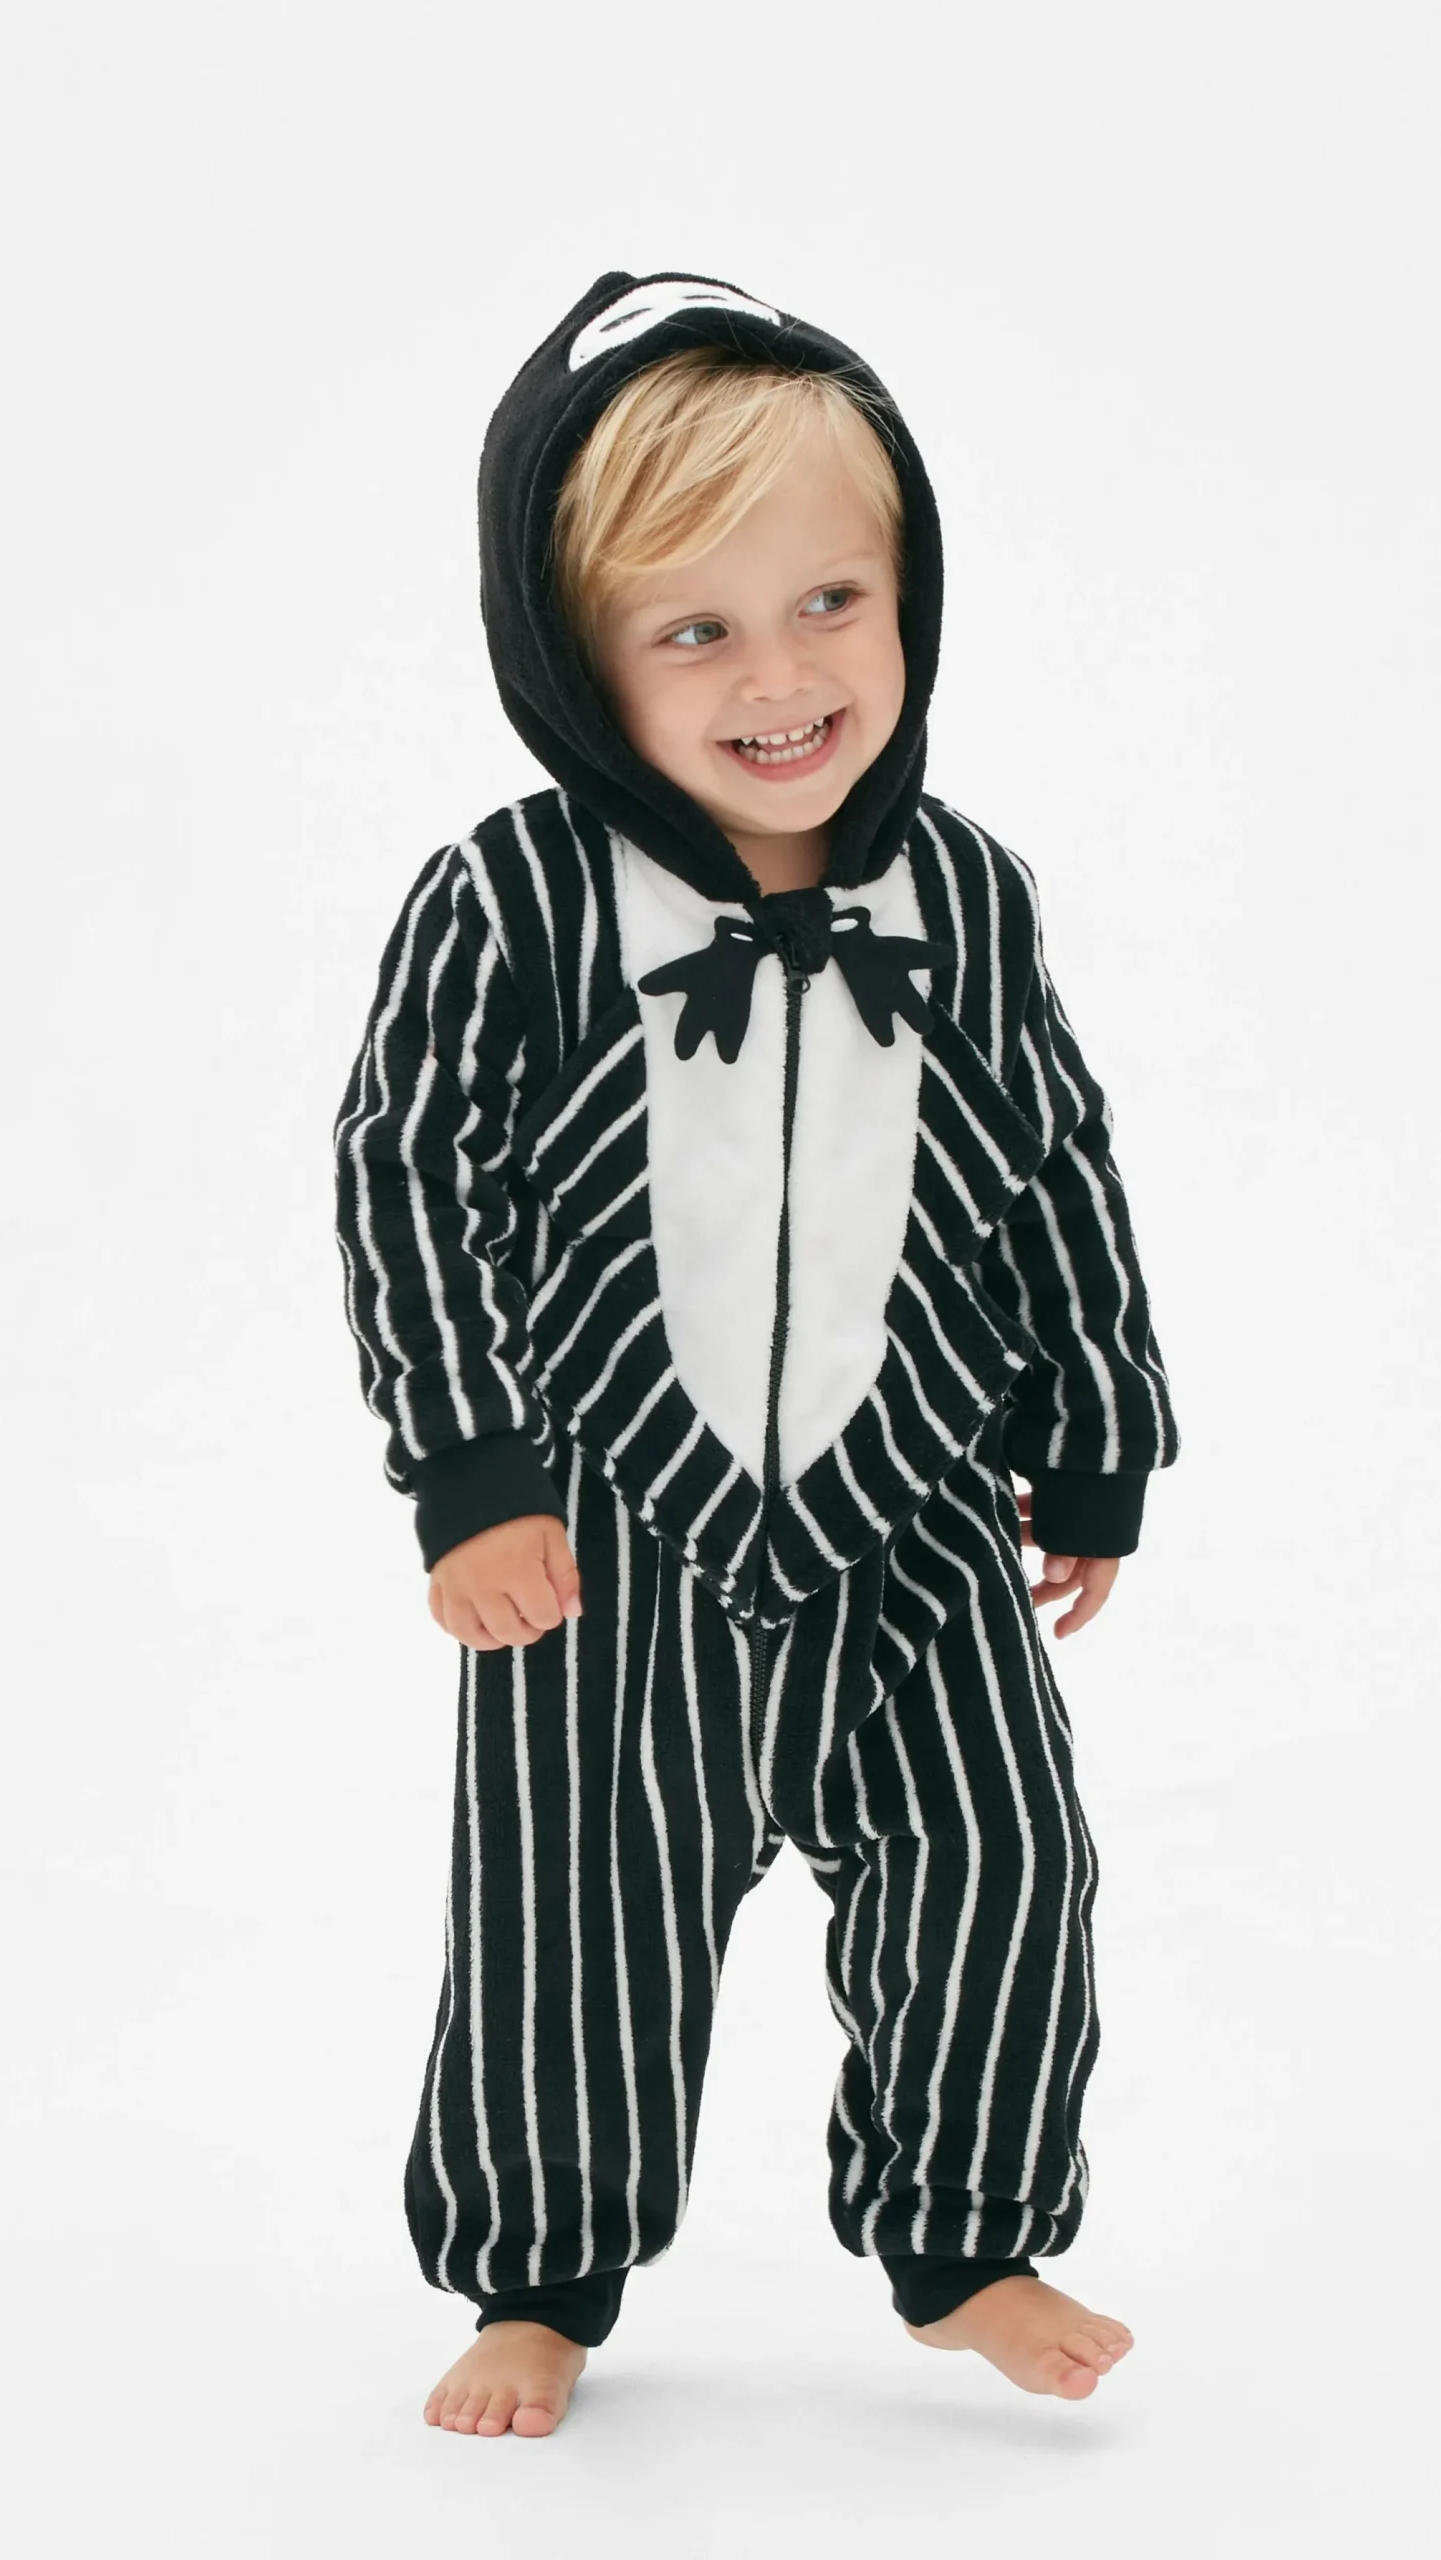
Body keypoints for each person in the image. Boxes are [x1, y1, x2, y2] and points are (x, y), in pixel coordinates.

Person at [332, 268, 1182, 2440]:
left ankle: (967, 2234)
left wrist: (1093, 1436)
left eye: (829, 602)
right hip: (609, 1522)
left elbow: (1054, 1161)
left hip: (917, 1503)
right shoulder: (512, 902)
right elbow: (413, 1173)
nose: (783, 676)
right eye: (694, 628)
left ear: (911, 599)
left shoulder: (967, 901)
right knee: (574, 1916)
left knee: (1003, 1861)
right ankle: (540, 2274)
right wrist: (471, 1470)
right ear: (573, 657)